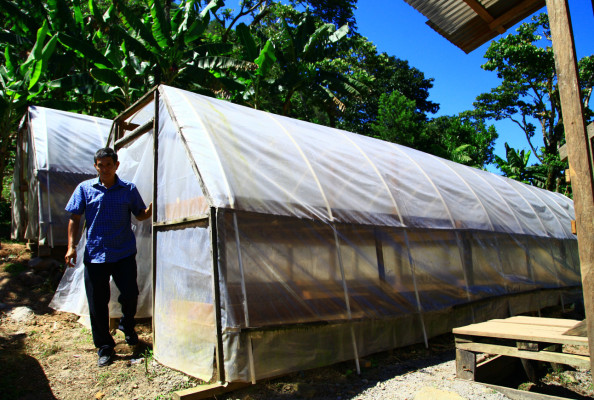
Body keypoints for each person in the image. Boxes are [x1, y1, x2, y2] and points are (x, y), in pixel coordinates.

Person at [65, 147, 152, 367]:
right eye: (100, 165)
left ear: (116, 165)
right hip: (96, 254)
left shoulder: (128, 189)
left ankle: (127, 325)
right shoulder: (85, 189)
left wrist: (149, 211)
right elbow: (75, 218)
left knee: (130, 294)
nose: (105, 169)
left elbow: (140, 214)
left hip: (123, 252)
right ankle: (104, 346)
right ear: (95, 166)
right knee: (97, 302)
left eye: (109, 165)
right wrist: (71, 247)